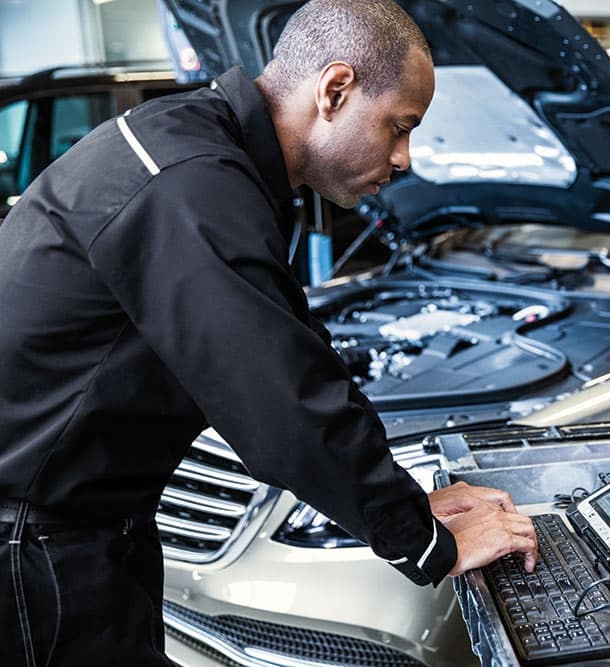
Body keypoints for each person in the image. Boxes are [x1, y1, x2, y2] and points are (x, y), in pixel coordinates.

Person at [0, 0, 538, 664]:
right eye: (399, 127)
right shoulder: (189, 183)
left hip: (81, 528)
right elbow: (281, 400)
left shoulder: (208, 155)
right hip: (32, 546)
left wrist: (413, 496)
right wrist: (430, 539)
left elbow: (295, 349)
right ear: (334, 90)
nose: (404, 158)